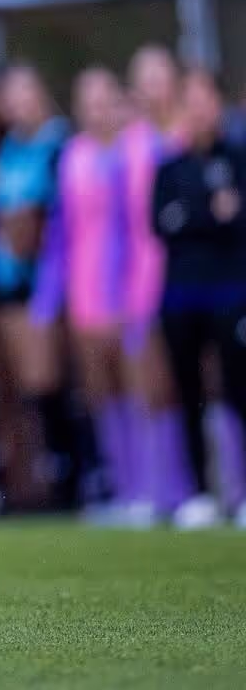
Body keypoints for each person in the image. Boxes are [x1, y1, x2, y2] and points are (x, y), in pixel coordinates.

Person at [31, 68, 135, 518]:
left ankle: (155, 484)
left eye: (104, 100)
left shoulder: (135, 151)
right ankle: (121, 485)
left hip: (129, 284)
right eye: (88, 103)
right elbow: (61, 234)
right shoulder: (74, 157)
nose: (97, 111)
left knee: (141, 386)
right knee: (100, 390)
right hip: (85, 286)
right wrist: (47, 299)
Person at [153, 71, 246, 529]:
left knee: (238, 389)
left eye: (203, 99)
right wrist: (210, 215)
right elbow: (161, 224)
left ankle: (241, 490)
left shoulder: (238, 159)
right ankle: (199, 494)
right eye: (188, 101)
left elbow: (234, 222)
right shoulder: (170, 168)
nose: (197, 109)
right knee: (188, 392)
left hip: (232, 289)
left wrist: (195, 219)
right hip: (180, 295)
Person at [0, 63, 73, 509]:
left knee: (47, 379)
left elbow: (45, 221)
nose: (18, 104)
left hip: (44, 283)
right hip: (5, 282)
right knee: (19, 386)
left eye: (26, 92)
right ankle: (31, 481)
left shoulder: (59, 145)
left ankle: (68, 478)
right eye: (11, 96)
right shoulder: (7, 150)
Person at [119, 45, 192, 522]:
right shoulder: (130, 145)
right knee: (152, 385)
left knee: (205, 380)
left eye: (159, 77)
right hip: (141, 276)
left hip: (193, 270)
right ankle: (161, 487)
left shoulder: (191, 133)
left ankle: (222, 484)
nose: (153, 88)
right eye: (144, 79)